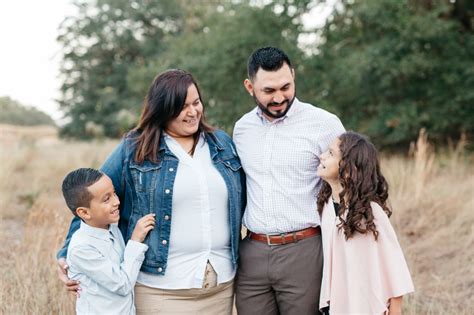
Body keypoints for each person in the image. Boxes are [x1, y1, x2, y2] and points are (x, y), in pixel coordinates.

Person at [57, 69, 246, 314]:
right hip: (159, 291)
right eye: (182, 106)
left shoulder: (222, 144)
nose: (192, 112)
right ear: (162, 109)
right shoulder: (134, 148)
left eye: (196, 102)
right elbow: (91, 201)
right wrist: (66, 254)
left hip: (219, 286)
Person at [233, 46, 345, 314]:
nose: (279, 97)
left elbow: (355, 183)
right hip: (252, 254)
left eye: (286, 86)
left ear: (293, 75)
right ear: (250, 86)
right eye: (269, 91)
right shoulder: (241, 129)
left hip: (305, 250)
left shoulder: (324, 124)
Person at [317, 131, 414, 314]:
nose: (321, 156)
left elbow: (395, 269)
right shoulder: (327, 206)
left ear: (347, 169)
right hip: (337, 306)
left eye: (330, 153)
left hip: (366, 306)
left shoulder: (370, 213)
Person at [61, 168, 155, 314]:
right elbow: (122, 285)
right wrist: (136, 240)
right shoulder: (82, 248)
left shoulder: (111, 227)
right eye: (106, 199)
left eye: (115, 193)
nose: (117, 201)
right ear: (84, 212)